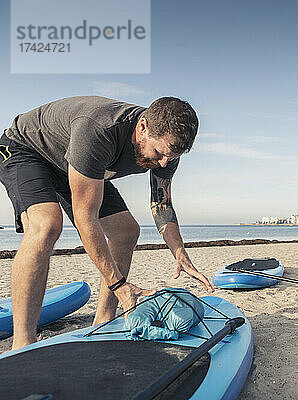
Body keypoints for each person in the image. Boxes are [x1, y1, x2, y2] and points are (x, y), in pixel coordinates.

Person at [0, 96, 215, 349]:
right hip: (26, 149)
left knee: (126, 231)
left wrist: (179, 253)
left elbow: (162, 204)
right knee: (47, 225)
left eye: (171, 156)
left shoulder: (168, 151)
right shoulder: (100, 130)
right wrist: (120, 285)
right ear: (143, 127)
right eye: (158, 153)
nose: (164, 163)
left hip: (73, 162)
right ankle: (23, 343)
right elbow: (85, 217)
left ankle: (103, 321)